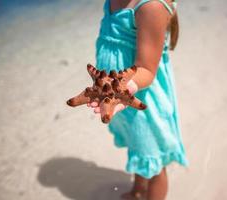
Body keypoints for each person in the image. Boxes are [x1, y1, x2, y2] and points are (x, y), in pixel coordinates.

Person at [87, 0, 189, 199]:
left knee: (154, 160)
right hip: (120, 99)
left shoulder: (151, 6)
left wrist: (120, 90)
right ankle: (138, 191)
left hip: (145, 102)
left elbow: (147, 70)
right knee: (138, 145)